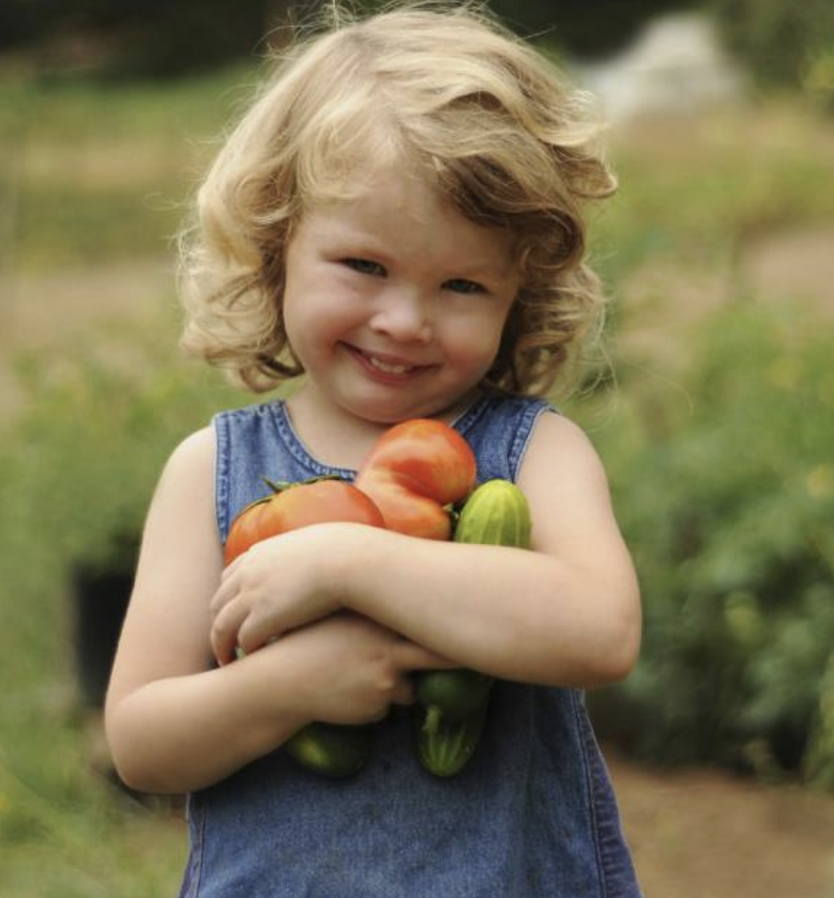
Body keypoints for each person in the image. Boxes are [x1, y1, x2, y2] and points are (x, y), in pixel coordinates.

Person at [103, 3, 643, 895]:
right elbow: (142, 741)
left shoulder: (534, 454)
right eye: (364, 266)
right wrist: (290, 687)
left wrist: (352, 562)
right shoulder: (211, 471)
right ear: (277, 250)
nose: (404, 320)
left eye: (463, 283)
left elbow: (600, 631)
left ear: (520, 294)